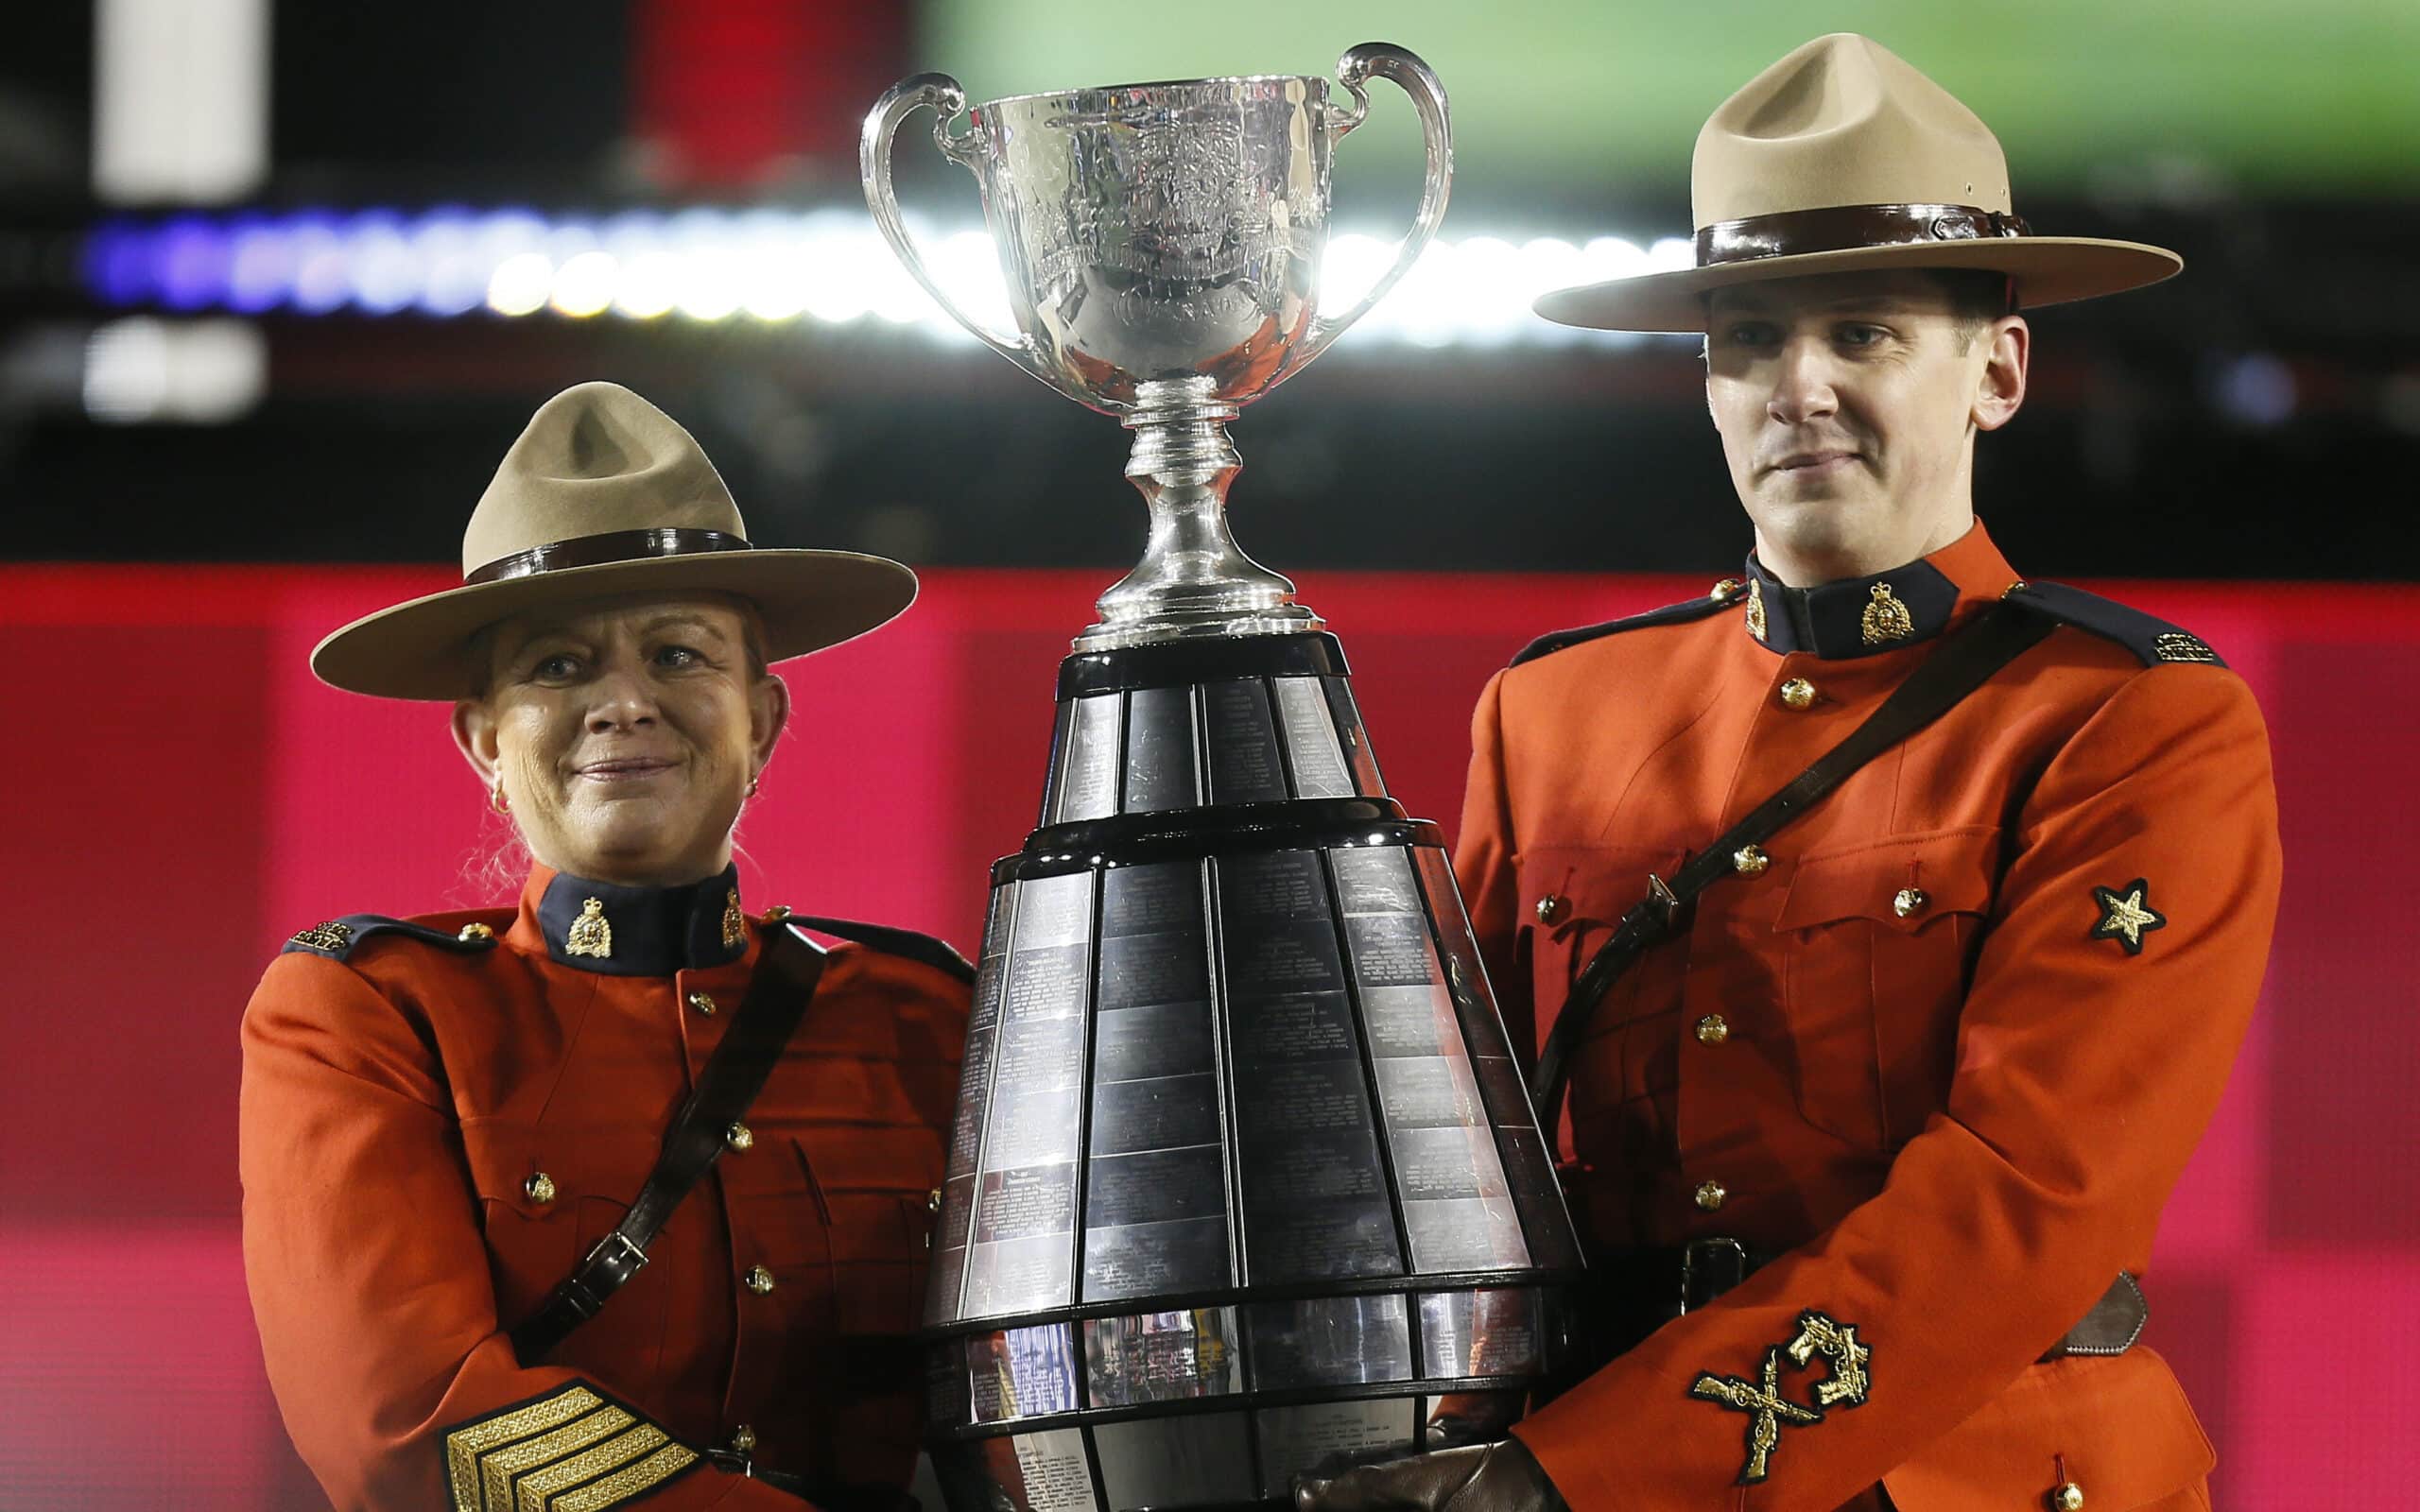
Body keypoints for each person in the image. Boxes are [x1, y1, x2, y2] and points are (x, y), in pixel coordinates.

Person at [1301, 34, 2280, 1512]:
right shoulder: (1552, 712)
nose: (1796, 386)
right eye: (1747, 337)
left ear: (1997, 372)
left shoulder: (2126, 723)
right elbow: (1461, 1169)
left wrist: (1578, 1480)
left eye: (1867, 334)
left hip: (1972, 1477)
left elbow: (2023, 1204)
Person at [240, 382, 973, 1512]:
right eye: (557, 666)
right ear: (485, 738)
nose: (623, 702)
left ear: (762, 720)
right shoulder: (366, 1012)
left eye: (679, 655)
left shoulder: (928, 1013)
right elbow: (411, 1429)